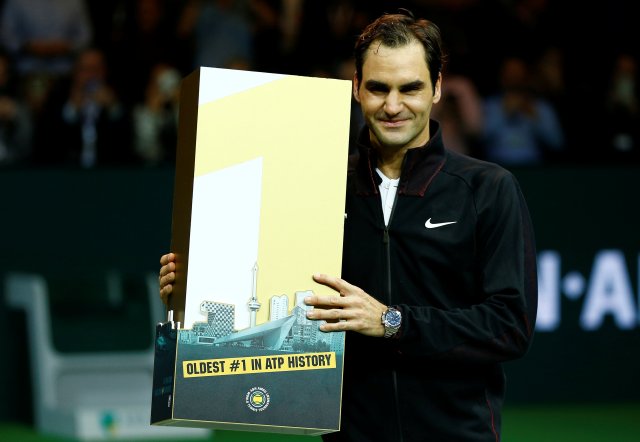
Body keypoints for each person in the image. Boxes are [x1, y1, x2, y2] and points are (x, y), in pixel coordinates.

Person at [159, 10, 537, 441]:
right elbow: (262, 288)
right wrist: (193, 288)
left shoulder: (487, 189)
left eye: (409, 88)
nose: (393, 106)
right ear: (356, 89)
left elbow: (510, 326)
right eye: (378, 88)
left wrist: (393, 322)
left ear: (436, 88)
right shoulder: (317, 186)